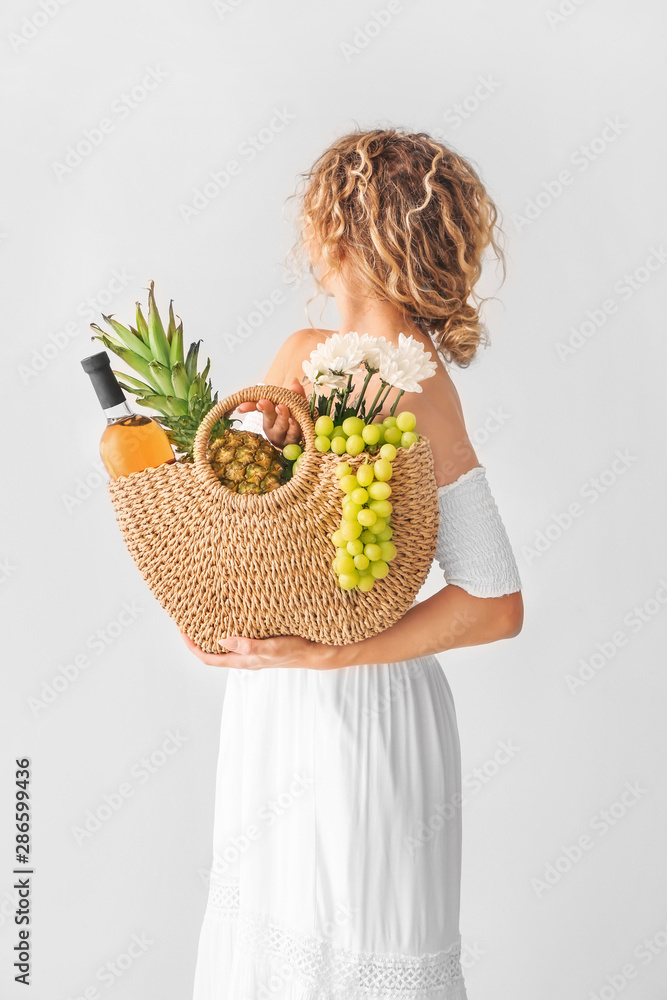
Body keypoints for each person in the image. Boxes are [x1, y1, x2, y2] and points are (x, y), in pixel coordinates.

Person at [187, 127, 524, 1000]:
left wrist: (286, 642)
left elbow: (241, 537)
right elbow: (492, 602)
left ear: (341, 236)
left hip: (304, 702)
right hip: (379, 705)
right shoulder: (432, 389)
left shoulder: (302, 357)